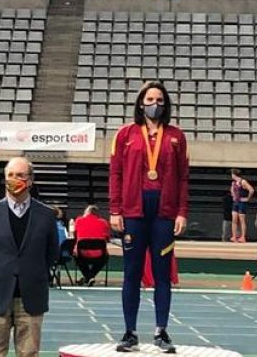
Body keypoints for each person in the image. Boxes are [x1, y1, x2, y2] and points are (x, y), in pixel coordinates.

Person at [109, 81, 190, 353]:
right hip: (134, 210)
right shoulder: (125, 134)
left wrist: (181, 212)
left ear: (165, 104)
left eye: (159, 99)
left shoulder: (177, 136)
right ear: (141, 102)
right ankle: (130, 332)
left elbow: (183, 178)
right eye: (149, 98)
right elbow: (116, 173)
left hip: (164, 212)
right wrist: (114, 209)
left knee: (162, 274)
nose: (154, 103)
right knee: (131, 272)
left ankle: (161, 331)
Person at [0, 157, 59, 357]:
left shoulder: (46, 215)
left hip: (32, 297)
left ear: (30, 180)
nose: (14, 179)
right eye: (10, 175)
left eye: (20, 175)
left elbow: (52, 253)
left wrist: (32, 273)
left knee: (29, 353)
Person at [73, 204, 111, 285]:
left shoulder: (79, 220)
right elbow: (107, 238)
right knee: (106, 257)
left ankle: (88, 277)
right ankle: (90, 276)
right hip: (99, 254)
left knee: (77, 257)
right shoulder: (103, 222)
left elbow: (75, 236)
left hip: (83, 253)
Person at [229, 169, 254, 243]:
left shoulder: (243, 181)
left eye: (232, 174)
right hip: (236, 202)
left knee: (242, 220)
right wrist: (233, 195)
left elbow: (251, 190)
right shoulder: (233, 183)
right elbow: (232, 191)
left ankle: (243, 237)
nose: (231, 176)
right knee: (234, 220)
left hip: (242, 202)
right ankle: (234, 236)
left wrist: (247, 198)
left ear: (234, 174)